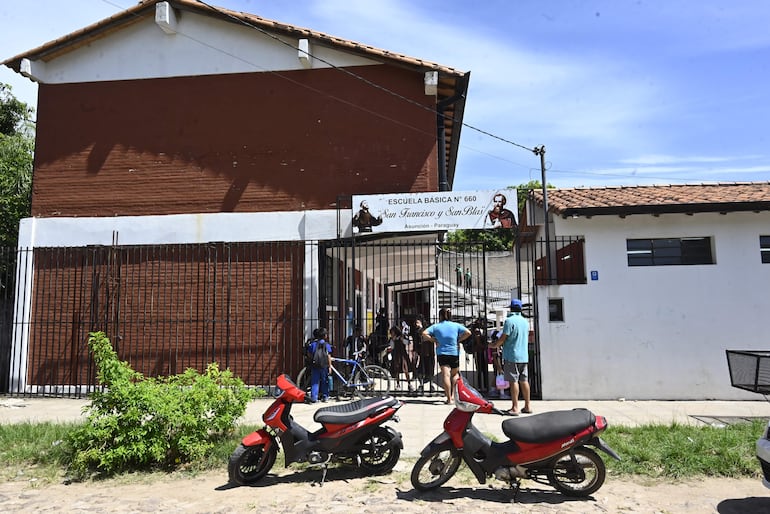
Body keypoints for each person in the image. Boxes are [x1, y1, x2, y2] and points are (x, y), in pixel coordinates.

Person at [422, 308, 472, 404]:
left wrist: (433, 340)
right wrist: (459, 340)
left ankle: (448, 398)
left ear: (440, 316)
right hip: (454, 352)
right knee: (454, 375)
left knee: (445, 375)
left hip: (442, 352)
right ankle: (453, 395)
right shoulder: (456, 325)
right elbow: (468, 332)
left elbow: (424, 333)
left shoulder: (436, 327)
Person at [491, 299, 531, 415]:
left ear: (511, 308)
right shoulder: (525, 321)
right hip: (524, 355)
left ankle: (515, 407)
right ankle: (527, 406)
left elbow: (503, 338)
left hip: (512, 355)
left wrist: (493, 345)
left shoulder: (509, 321)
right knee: (524, 380)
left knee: (514, 381)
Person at [307, 327, 333, 403]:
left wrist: (313, 359)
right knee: (324, 381)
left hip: (315, 365)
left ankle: (314, 397)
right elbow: (328, 355)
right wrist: (330, 366)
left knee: (315, 381)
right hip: (324, 365)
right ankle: (325, 396)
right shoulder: (326, 345)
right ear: (325, 336)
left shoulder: (313, 344)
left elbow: (309, 353)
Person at [388, 325, 414, 390]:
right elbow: (392, 347)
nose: (392, 334)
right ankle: (398, 384)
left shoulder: (401, 337)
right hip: (396, 355)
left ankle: (409, 384)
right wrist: (392, 341)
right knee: (396, 370)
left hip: (402, 355)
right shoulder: (392, 339)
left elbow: (408, 342)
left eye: (392, 332)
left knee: (405, 369)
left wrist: (403, 340)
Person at [469, 318, 490, 393]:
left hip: (482, 351)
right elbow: (478, 343)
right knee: (480, 370)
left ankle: (484, 386)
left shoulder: (482, 331)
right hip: (479, 352)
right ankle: (481, 386)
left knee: (483, 370)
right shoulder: (477, 331)